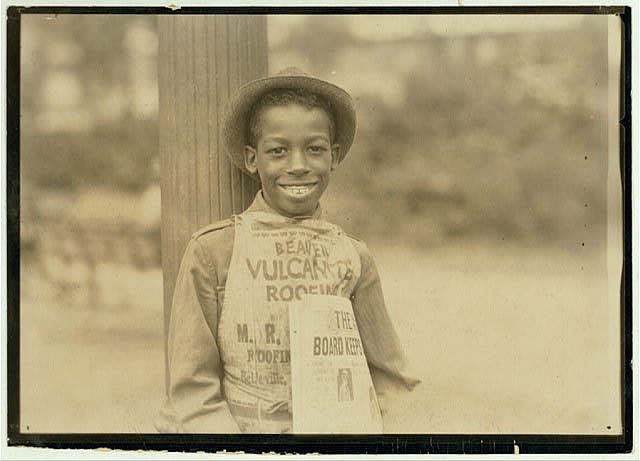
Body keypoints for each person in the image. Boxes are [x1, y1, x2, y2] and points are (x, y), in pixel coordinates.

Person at [156, 68, 419, 434]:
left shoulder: (353, 256)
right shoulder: (213, 251)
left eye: (315, 149)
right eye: (278, 151)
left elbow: (391, 380)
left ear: (334, 156)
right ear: (252, 159)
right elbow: (192, 392)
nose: (298, 166)